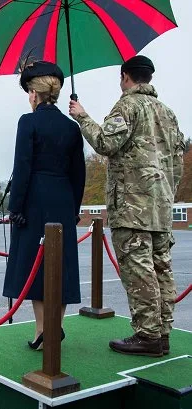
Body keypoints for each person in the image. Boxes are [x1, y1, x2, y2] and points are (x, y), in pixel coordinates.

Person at [69, 55, 185, 357]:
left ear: (125, 77)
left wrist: (82, 116)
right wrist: (166, 196)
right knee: (161, 269)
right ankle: (162, 334)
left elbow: (105, 143)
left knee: (139, 271)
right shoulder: (169, 114)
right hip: (161, 208)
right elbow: (177, 165)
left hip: (132, 208)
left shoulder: (127, 106)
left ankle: (147, 336)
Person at [3, 60, 86, 350]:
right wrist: (74, 208)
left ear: (35, 94)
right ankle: (55, 328)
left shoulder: (28, 122)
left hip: (35, 201)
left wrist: (16, 208)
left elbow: (22, 167)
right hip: (63, 200)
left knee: (37, 268)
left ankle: (42, 331)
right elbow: (79, 175)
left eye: (29, 92)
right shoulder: (72, 128)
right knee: (59, 267)